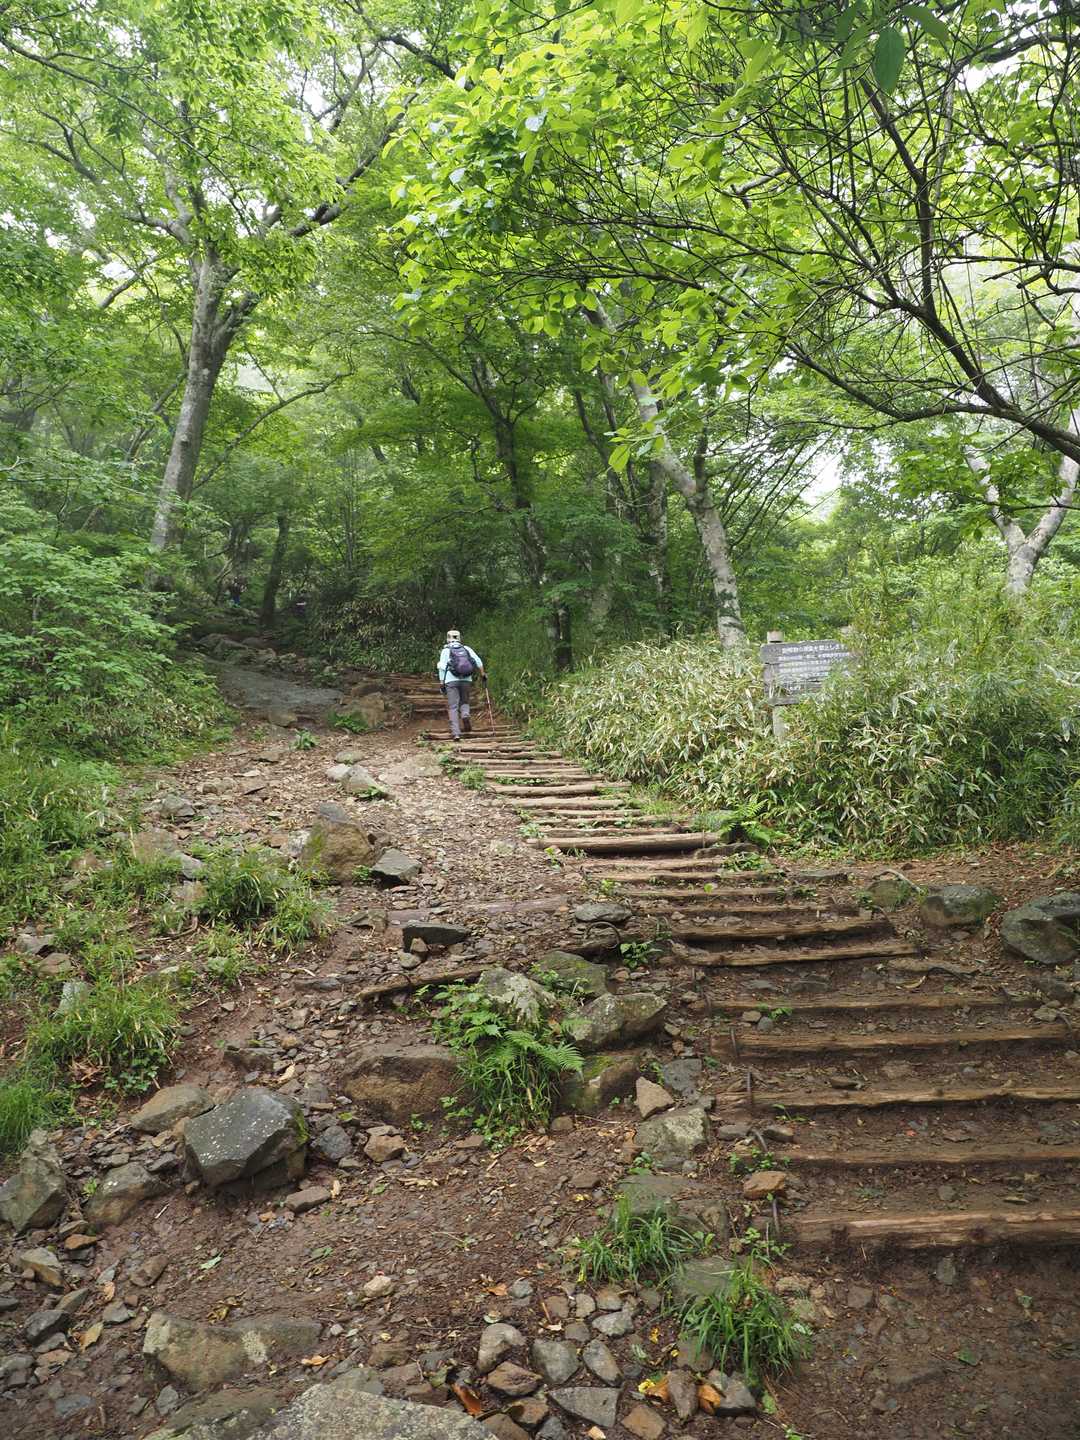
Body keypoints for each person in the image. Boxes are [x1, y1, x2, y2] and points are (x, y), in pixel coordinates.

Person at [437, 628, 484, 740]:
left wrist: (442, 683)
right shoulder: (466, 649)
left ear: (448, 638)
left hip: (451, 681)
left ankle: (456, 733)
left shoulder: (445, 651)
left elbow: (442, 667)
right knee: (465, 701)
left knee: (453, 706)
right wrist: (483, 674)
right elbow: (478, 661)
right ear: (459, 638)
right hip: (466, 680)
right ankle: (465, 715)